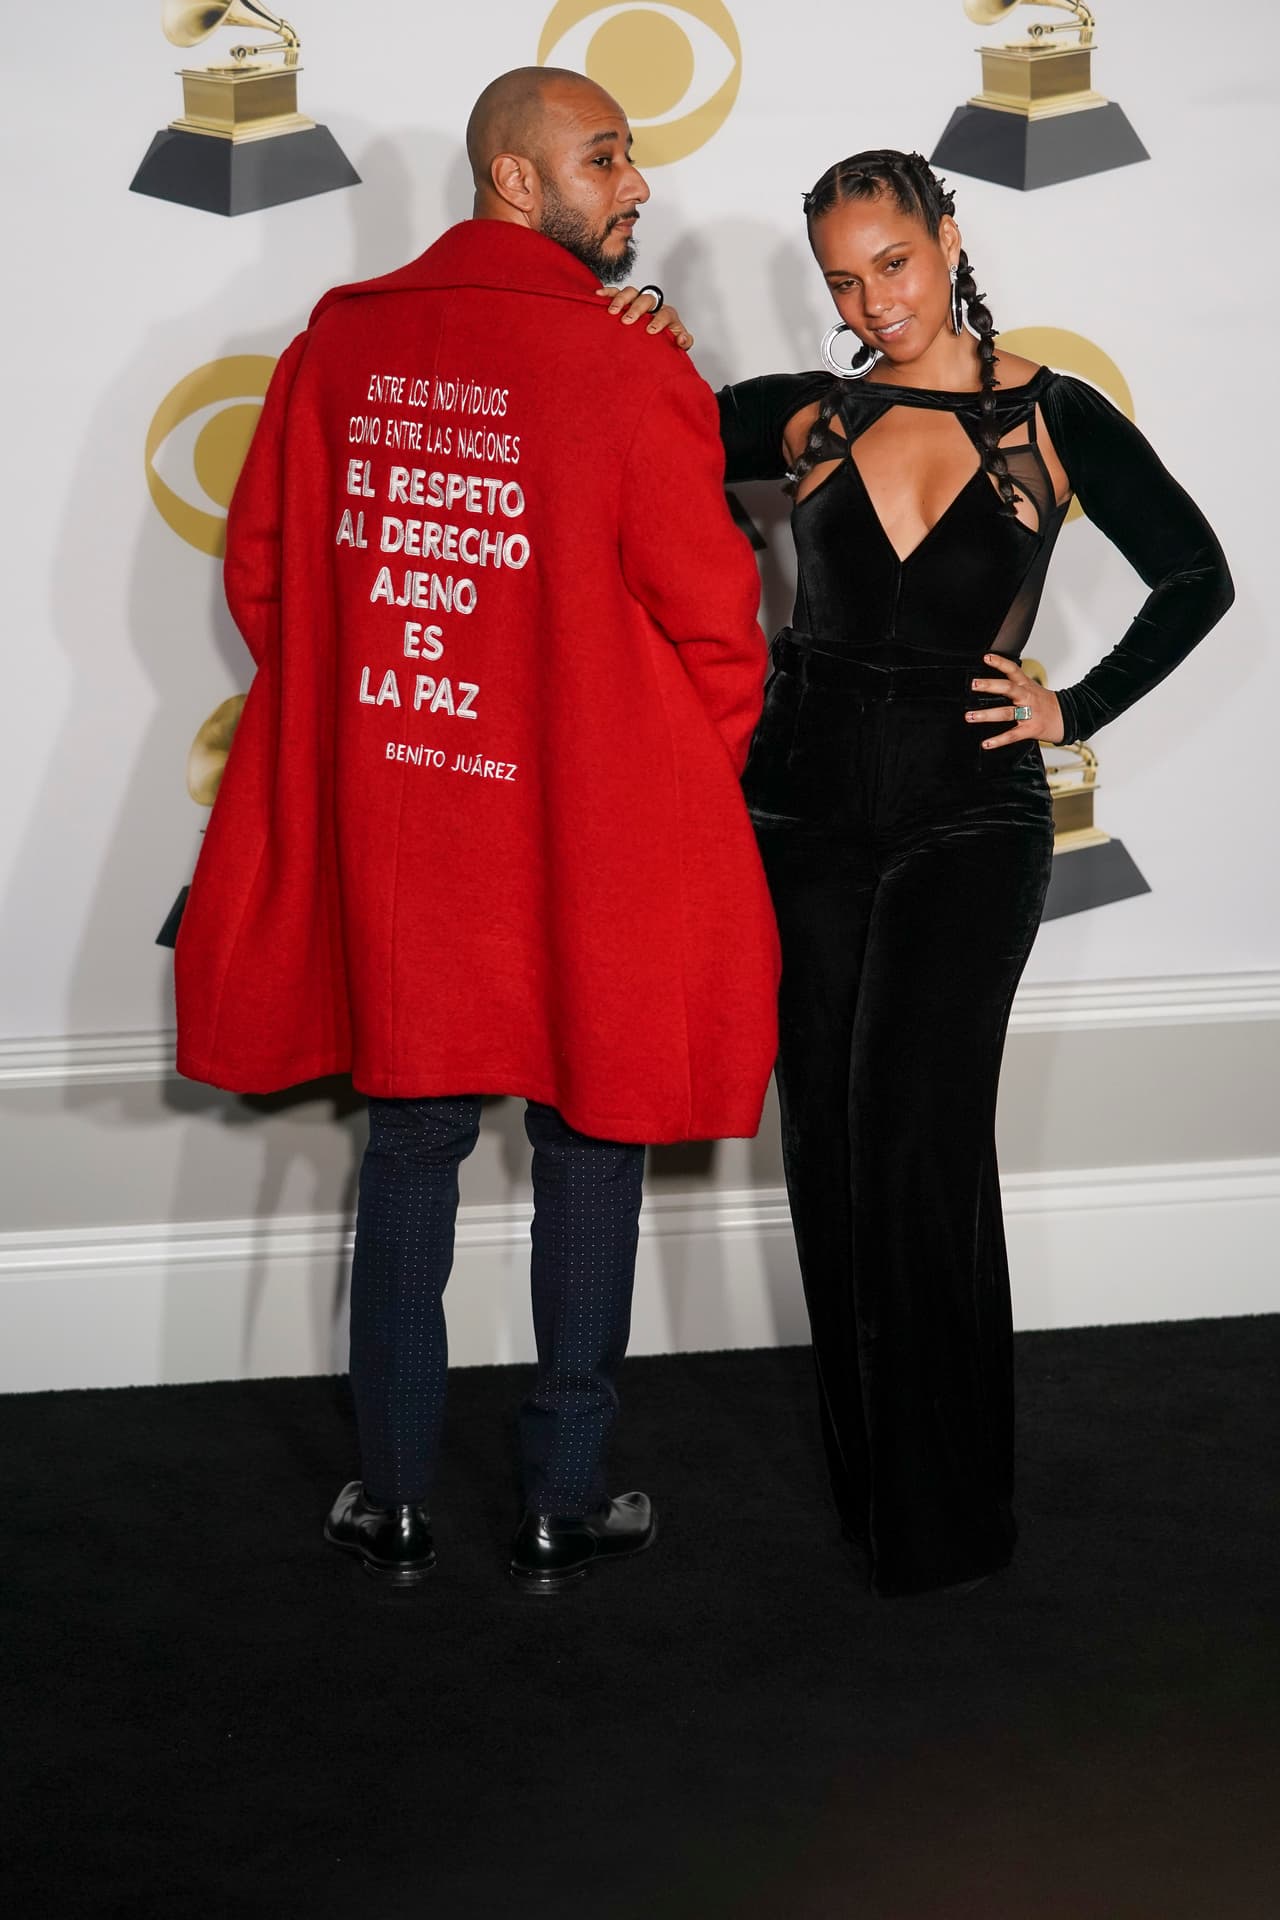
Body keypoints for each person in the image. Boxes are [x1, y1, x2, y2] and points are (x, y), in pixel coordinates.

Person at [173, 69, 779, 1592]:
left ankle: (389, 1500)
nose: (637, 186)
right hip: (581, 839)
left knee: (411, 1146)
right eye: (606, 158)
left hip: (409, 830)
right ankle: (564, 1499)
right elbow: (721, 633)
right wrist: (646, 780)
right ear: (518, 178)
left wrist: (395, 728)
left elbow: (268, 584)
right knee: (591, 1146)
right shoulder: (626, 368)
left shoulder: (335, 347)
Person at [617, 148, 1233, 1595]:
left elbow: (1197, 576)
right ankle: (879, 1498)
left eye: (892, 262)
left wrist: (1075, 707)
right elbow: (637, 444)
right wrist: (641, 338)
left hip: (969, 817)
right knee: (829, 1146)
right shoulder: (807, 415)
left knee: (918, 1141)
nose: (872, 301)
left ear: (950, 237)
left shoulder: (1055, 417)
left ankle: (950, 1512)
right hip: (802, 810)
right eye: (842, 279)